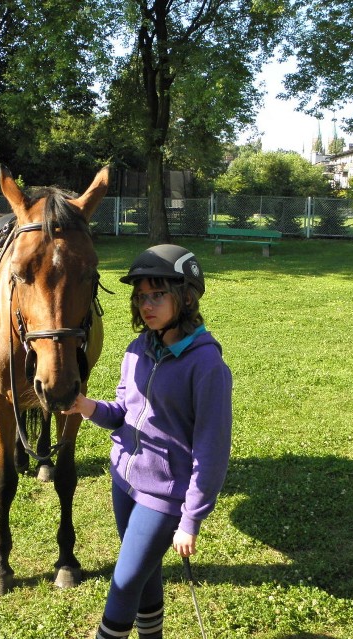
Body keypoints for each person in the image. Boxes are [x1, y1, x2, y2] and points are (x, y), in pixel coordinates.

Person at [63, 244, 233, 639]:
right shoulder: (138, 349)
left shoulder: (207, 366)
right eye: (141, 296)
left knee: (122, 586)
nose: (146, 305)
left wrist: (190, 519)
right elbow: (123, 411)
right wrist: (86, 406)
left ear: (186, 296)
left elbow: (211, 452)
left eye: (158, 294)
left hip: (164, 496)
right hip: (124, 481)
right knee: (144, 573)